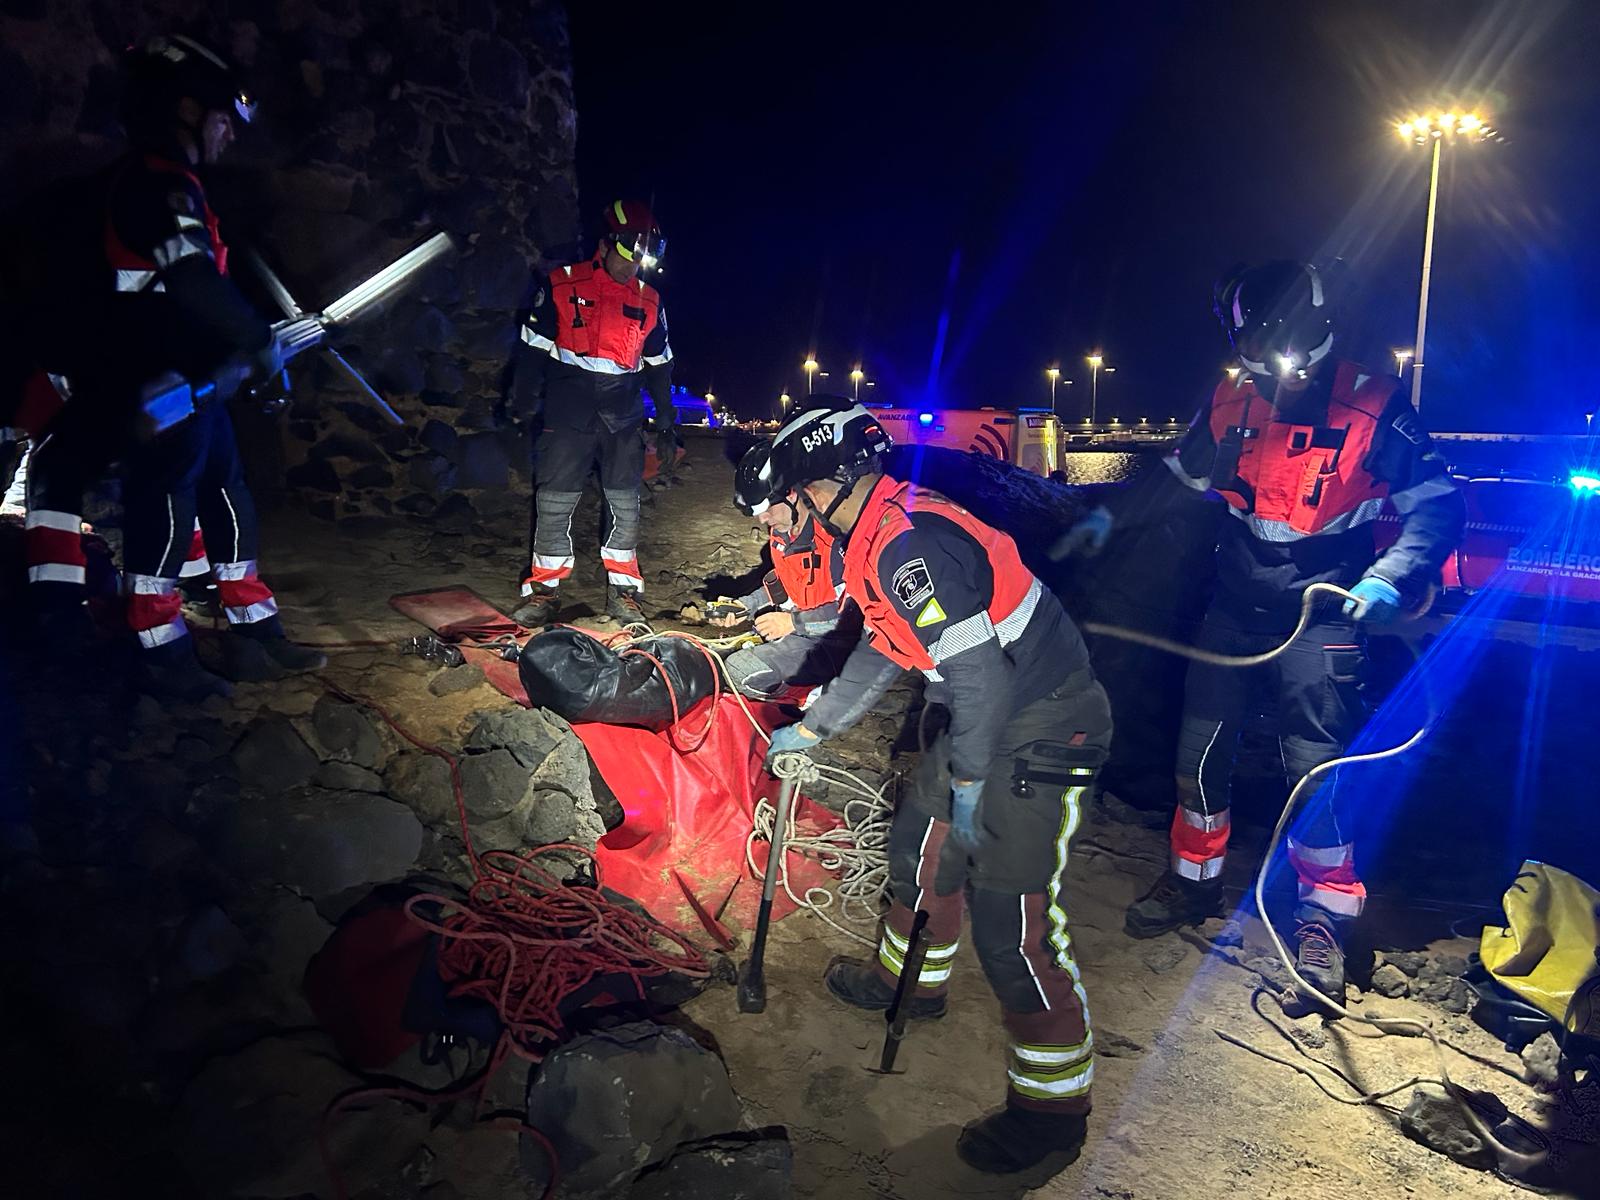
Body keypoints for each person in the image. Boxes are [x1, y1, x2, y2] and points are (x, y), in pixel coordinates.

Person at [763, 397, 1113, 1175]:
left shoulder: (906, 543)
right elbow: (884, 647)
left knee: (1010, 920)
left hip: (1046, 718)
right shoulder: (872, 535)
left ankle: (1052, 1115)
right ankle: (913, 988)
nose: (780, 517)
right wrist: (817, 727)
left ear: (824, 485)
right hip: (986, 707)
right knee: (919, 844)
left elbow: (980, 674)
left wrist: (971, 780)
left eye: (786, 498)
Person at [1119, 261, 1465, 1015]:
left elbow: (1437, 508)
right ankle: (1192, 886)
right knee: (1200, 752)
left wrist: (1390, 578)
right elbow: (1175, 480)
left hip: (1326, 611)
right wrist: (1104, 522)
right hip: (1235, 605)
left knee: (1317, 768)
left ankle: (1324, 922)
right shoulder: (1232, 395)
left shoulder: (1375, 404)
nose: (1279, 376)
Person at [102, 34, 324, 697]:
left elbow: (208, 290)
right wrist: (259, 342)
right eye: (226, 120)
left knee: (229, 497)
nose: (230, 136)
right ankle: (158, 648)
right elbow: (194, 281)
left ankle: (255, 626)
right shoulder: (156, 183)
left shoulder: (186, 186)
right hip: (161, 377)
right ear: (186, 110)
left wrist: (249, 351)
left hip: (199, 382)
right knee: (165, 506)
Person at [506, 199, 675, 627]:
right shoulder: (562, 284)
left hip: (623, 413)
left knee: (625, 502)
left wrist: (669, 423)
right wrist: (520, 403)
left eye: (642, 255)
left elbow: (659, 366)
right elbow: (531, 350)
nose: (633, 263)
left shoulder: (650, 300)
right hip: (569, 408)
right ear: (606, 244)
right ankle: (544, 591)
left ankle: (623, 592)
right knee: (554, 499)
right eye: (627, 251)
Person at [708, 441, 855, 699]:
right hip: (802, 633)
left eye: (766, 509)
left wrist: (791, 623)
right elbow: (787, 585)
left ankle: (814, 697)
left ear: (792, 493)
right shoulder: (783, 532)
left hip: (836, 645)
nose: (762, 520)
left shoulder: (835, 539)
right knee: (715, 658)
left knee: (738, 670)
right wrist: (745, 606)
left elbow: (852, 618)